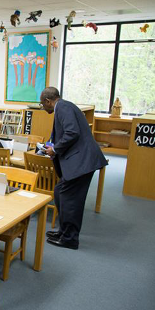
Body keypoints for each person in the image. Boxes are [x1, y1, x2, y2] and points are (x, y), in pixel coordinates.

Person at [40, 87, 108, 250]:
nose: (42, 107)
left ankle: (70, 239)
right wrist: (51, 146)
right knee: (59, 192)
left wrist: (55, 149)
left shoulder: (63, 107)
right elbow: (65, 133)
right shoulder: (64, 106)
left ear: (48, 101)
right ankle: (64, 231)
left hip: (82, 162)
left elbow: (72, 132)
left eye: (42, 104)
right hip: (80, 160)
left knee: (70, 199)